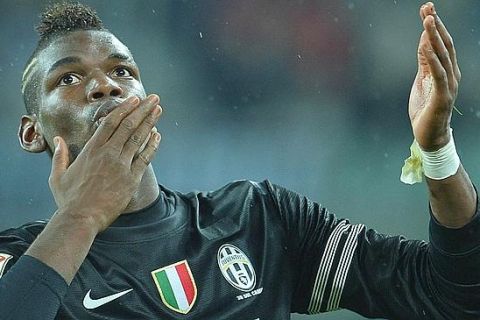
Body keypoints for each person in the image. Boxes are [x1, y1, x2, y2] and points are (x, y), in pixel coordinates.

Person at [0, 1, 478, 319]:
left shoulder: (258, 221)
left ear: (150, 100)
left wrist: (437, 153)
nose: (106, 85)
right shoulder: (19, 262)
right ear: (31, 132)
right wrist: (82, 215)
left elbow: (451, 294)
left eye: (122, 70)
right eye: (67, 79)